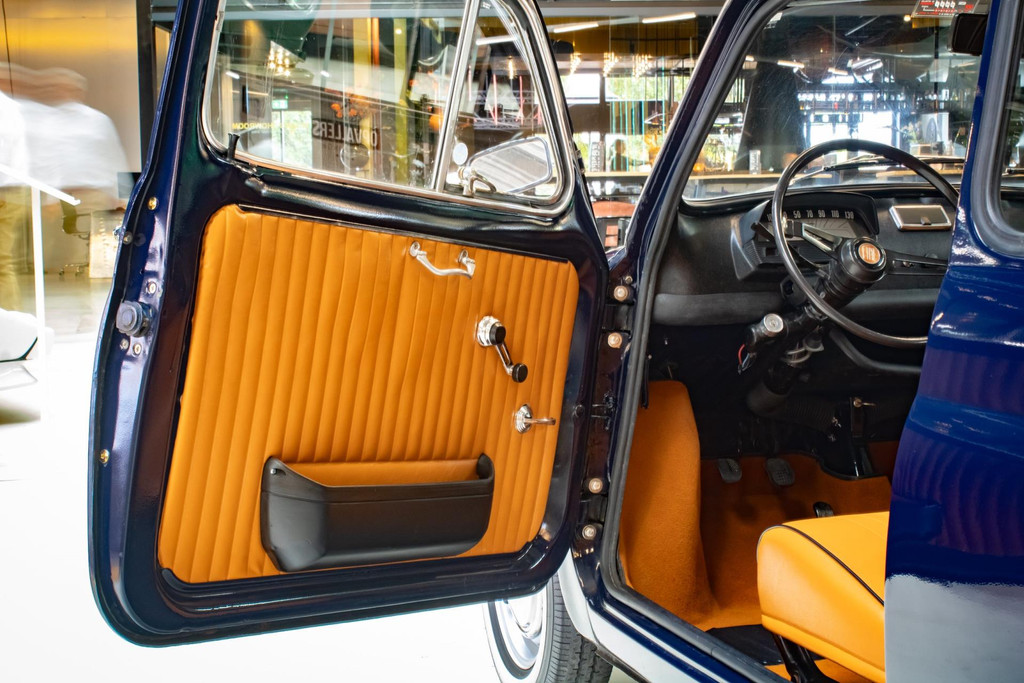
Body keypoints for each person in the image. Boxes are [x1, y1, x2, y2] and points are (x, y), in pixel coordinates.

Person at [0, 86, 29, 311]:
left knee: (2, 264)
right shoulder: (9, 107)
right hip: (11, 189)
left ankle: (7, 319)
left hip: (6, 191)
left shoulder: (6, 109)